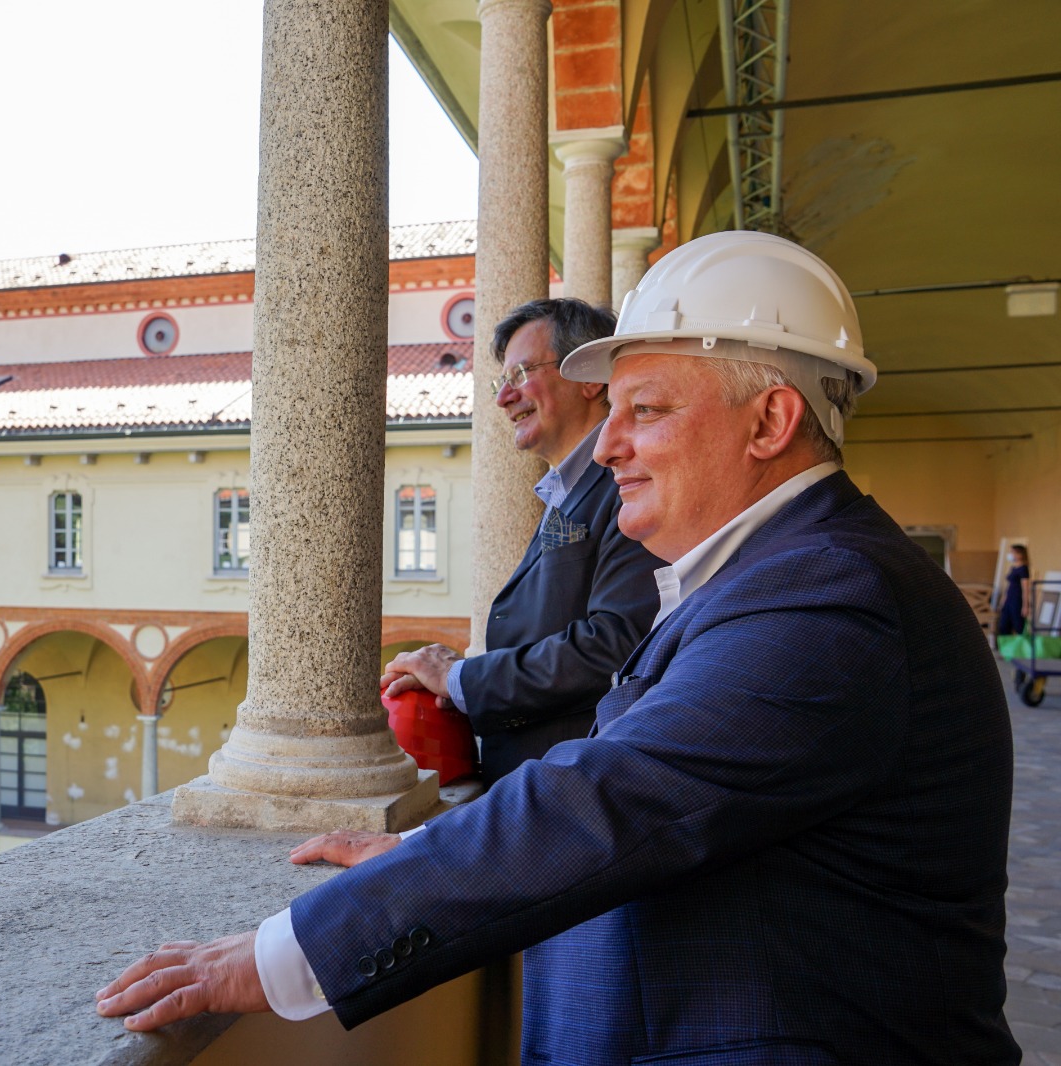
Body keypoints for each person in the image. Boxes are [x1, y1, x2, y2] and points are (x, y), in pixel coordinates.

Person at [96, 231, 1018, 1065]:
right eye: (610, 411)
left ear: (770, 423)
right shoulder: (786, 573)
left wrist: (286, 953)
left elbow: (611, 798)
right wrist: (428, 844)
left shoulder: (830, 597)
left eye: (645, 410)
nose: (608, 444)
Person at [383, 299, 661, 784]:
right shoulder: (571, 489)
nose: (502, 398)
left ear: (590, 375)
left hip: (578, 785)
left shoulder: (628, 482)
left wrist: (460, 677)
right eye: (502, 381)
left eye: (521, 373)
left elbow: (620, 645)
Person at [998, 543, 1030, 636]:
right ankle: (1006, 647)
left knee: (1018, 624)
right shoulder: (1013, 568)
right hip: (1009, 599)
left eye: (1012, 552)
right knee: (1004, 625)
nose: (1010, 554)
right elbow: (1008, 586)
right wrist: (1003, 600)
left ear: (1020, 554)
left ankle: (1021, 646)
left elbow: (1025, 588)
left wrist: (1025, 606)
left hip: (1017, 600)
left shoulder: (1023, 569)